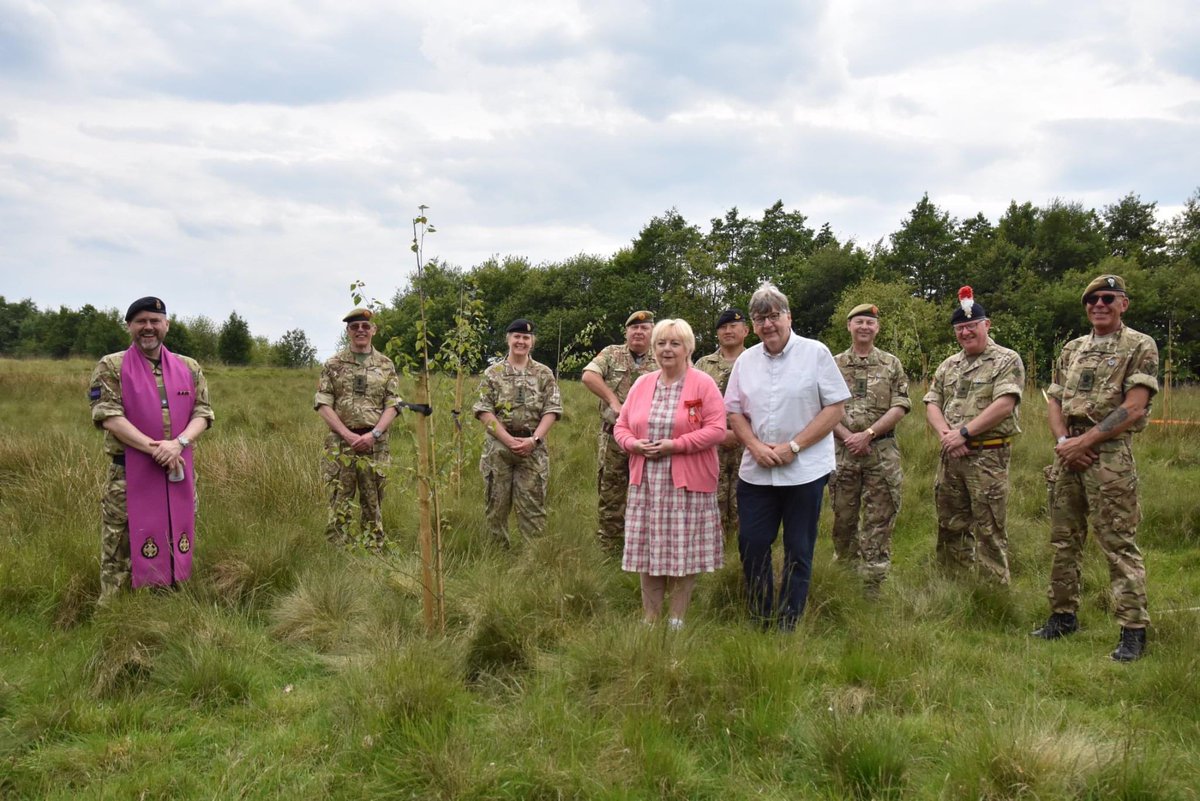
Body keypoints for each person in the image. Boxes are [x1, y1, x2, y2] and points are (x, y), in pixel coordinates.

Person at [1032, 274, 1159, 662]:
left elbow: (1134, 405)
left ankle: (1133, 629)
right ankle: (1063, 615)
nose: (1098, 305)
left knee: (1118, 542)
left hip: (1109, 457)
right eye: (1091, 300)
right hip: (1067, 450)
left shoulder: (1140, 345)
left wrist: (1084, 444)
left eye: (1107, 298)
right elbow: (1054, 401)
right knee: (1064, 540)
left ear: (1123, 303)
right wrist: (1063, 444)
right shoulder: (1072, 348)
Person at [725, 283, 850, 630]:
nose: (768, 325)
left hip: (805, 472)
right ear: (753, 324)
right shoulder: (745, 362)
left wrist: (793, 446)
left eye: (774, 316)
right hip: (757, 473)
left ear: (788, 316)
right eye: (760, 318)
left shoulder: (816, 353)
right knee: (751, 544)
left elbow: (835, 408)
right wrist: (754, 446)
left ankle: (788, 620)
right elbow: (734, 413)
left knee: (798, 548)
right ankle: (762, 616)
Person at [88, 296, 214, 603]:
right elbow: (110, 417)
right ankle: (117, 617)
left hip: (178, 473)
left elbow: (203, 413)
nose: (148, 327)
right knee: (120, 549)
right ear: (129, 326)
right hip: (128, 475)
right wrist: (155, 448)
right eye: (141, 321)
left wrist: (179, 444)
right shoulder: (111, 366)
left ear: (166, 325)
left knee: (174, 540)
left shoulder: (189, 367)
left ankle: (166, 613)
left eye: (155, 321)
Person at [614, 318, 726, 627]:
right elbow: (620, 427)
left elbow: (717, 429)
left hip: (687, 484)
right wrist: (634, 444)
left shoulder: (703, 383)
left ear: (688, 347)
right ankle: (650, 619)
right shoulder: (642, 384)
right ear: (654, 348)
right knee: (647, 553)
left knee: (682, 554)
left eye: (675, 343)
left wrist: (675, 446)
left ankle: (677, 621)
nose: (667, 349)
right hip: (646, 483)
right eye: (661, 343)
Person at [923, 287, 1024, 584]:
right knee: (950, 523)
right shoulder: (949, 365)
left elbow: (1004, 404)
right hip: (951, 456)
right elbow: (931, 402)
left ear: (986, 325)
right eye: (960, 328)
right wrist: (947, 436)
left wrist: (964, 433)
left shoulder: (1006, 360)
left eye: (971, 326)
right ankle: (952, 586)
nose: (966, 333)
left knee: (989, 526)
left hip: (987, 456)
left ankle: (993, 595)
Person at [830, 303, 910, 592]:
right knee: (843, 519)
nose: (864, 327)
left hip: (882, 454)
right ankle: (844, 578)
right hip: (843, 453)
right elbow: (822, 406)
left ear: (877, 328)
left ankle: (872, 585)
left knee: (879, 519)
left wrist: (868, 433)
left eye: (870, 323)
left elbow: (901, 404)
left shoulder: (891, 364)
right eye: (859, 322)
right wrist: (846, 435)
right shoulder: (833, 363)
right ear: (849, 326)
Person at [314, 308, 403, 549]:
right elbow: (323, 403)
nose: (360, 330)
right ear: (348, 332)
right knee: (339, 498)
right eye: (355, 327)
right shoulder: (333, 364)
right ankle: (338, 550)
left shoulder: (385, 365)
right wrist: (347, 434)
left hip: (376, 444)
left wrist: (374, 435)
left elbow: (393, 404)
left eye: (365, 326)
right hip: (341, 444)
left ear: (373, 330)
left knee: (373, 498)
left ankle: (373, 547)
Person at [473, 319, 563, 547]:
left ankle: (533, 558)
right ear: (508, 339)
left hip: (533, 447)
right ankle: (497, 557)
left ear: (532, 342)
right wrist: (507, 439)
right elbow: (484, 411)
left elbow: (552, 409)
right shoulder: (493, 373)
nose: (521, 341)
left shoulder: (544, 373)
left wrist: (534, 440)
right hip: (499, 448)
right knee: (496, 506)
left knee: (533, 508)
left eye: (526, 338)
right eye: (517, 336)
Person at [582, 311, 658, 553]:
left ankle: (642, 546)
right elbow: (588, 375)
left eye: (644, 328)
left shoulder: (662, 356)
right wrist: (614, 402)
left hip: (650, 440)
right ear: (626, 333)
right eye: (633, 328)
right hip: (614, 437)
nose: (638, 332)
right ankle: (610, 548)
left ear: (652, 332)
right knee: (611, 492)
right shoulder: (612, 353)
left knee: (649, 492)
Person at [694, 308, 749, 539]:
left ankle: (741, 553)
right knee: (711, 499)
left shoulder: (757, 360)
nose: (728, 331)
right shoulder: (703, 364)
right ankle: (714, 550)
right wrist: (714, 433)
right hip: (711, 445)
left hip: (748, 444)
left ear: (746, 331)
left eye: (733, 326)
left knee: (744, 500)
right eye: (723, 327)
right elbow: (691, 404)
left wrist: (739, 434)